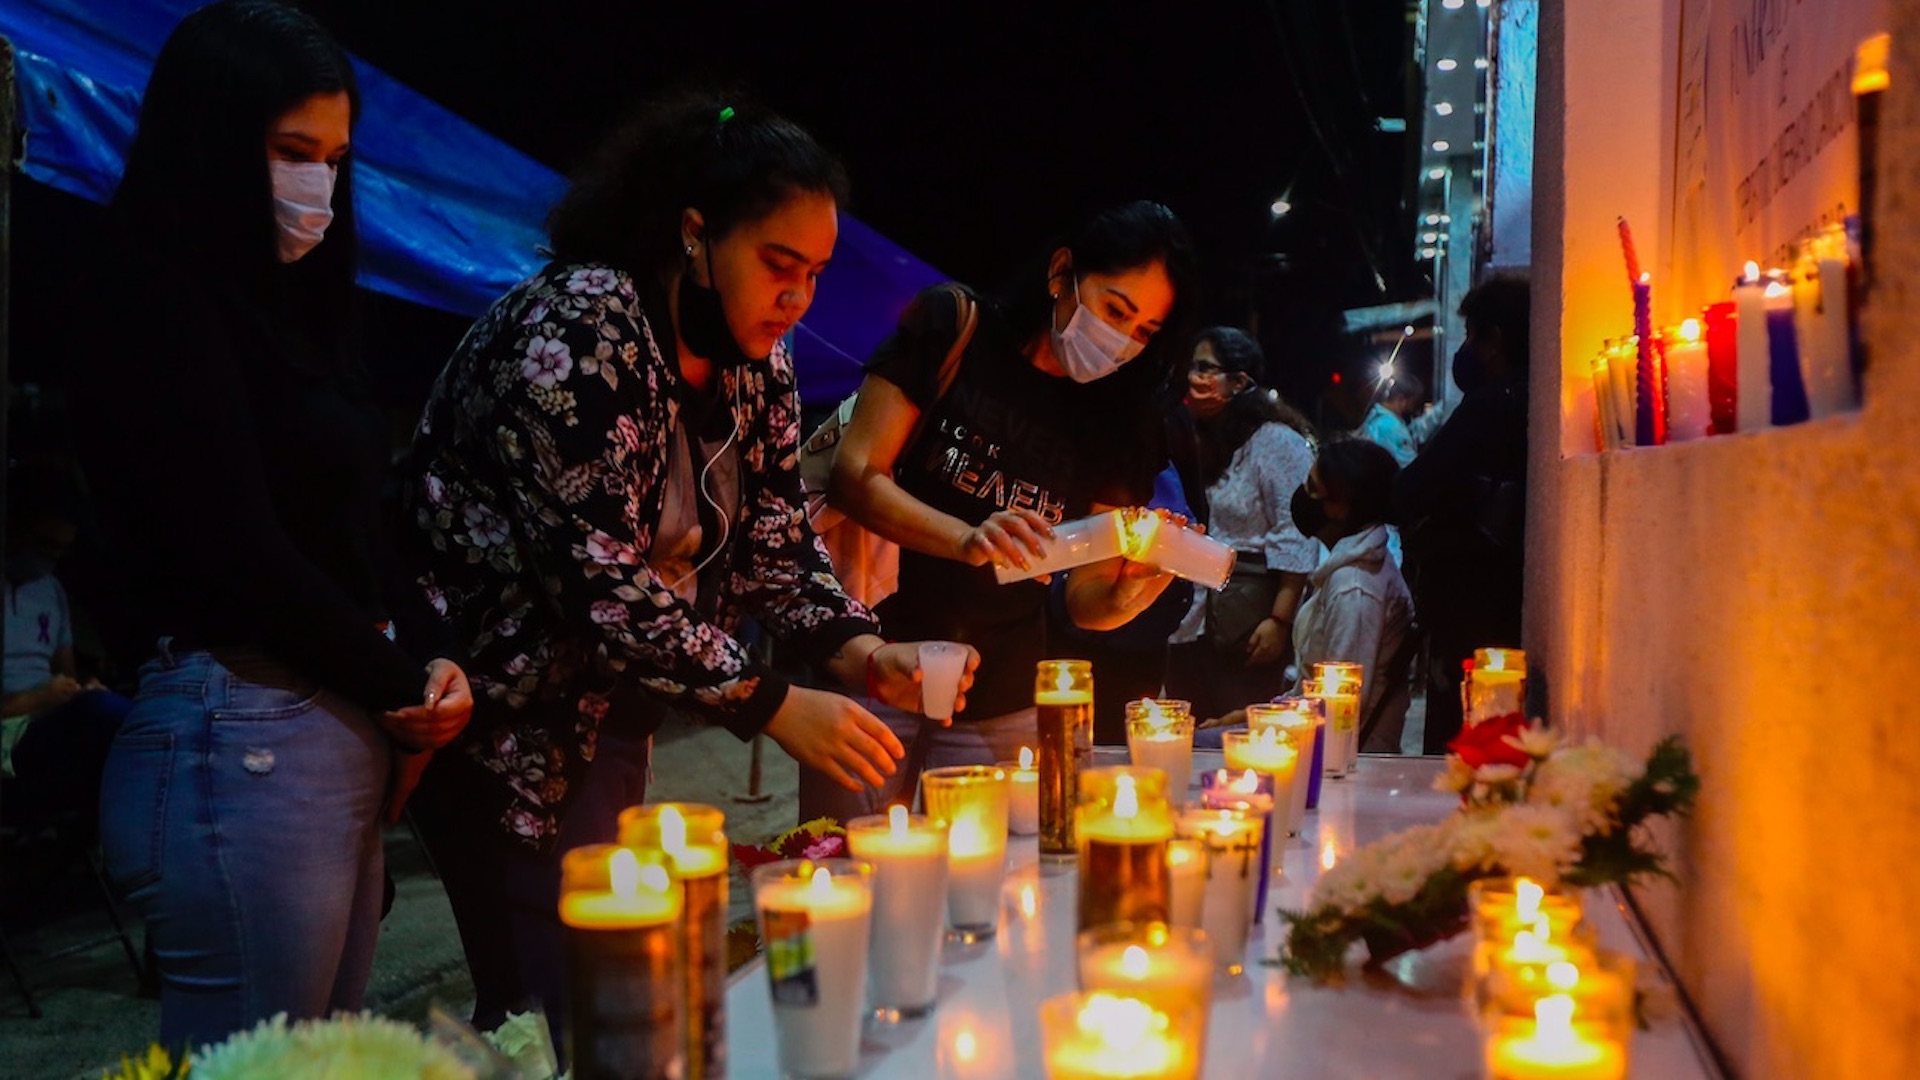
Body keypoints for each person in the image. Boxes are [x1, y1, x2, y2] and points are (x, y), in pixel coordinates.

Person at [400, 93, 970, 1041]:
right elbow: (595, 581)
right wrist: (773, 703)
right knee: (554, 1004)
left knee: (611, 991)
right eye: (778, 265)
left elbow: (777, 542)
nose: (797, 298)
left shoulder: (762, 366)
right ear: (696, 236)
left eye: (817, 275)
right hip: (495, 710)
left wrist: (863, 651)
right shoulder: (577, 331)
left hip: (612, 709)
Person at [73, 0, 473, 1048]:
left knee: (315, 1063)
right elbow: (233, 546)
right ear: (212, 144)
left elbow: (353, 521)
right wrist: (400, 687)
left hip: (323, 735)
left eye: (336, 159)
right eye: (294, 152)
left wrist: (425, 665)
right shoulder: (147, 296)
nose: (319, 188)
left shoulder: (295, 310)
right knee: (267, 1066)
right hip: (233, 740)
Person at [808, 200, 1202, 818]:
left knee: (992, 892)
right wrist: (969, 538)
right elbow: (856, 476)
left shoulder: (1120, 421)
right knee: (845, 873)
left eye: (1144, 332)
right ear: (1062, 272)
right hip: (874, 663)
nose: (1120, 342)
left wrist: (1134, 589)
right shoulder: (956, 327)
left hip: (1004, 698)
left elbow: (1084, 598)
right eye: (1114, 309)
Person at [1396, 276, 1531, 753]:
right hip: (1508, 604)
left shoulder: (1491, 405)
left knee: (1460, 745)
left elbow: (1415, 489)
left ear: (1494, 339)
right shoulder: (1535, 398)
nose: (1468, 349)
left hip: (1471, 606)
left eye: (1474, 336)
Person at [1164, 327, 1319, 722]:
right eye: (1192, 367)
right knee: (1190, 735)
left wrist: (1279, 622)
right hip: (1185, 622)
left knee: (1237, 734)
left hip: (1246, 623)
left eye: (1206, 368)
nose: (1194, 378)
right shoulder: (1189, 438)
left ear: (1239, 382)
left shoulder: (1275, 442)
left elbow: (1295, 533)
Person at [1, 470, 131, 822]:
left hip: (43, 732)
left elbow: (65, 677)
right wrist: (34, 701)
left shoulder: (50, 590)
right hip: (9, 738)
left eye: (59, 551)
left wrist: (81, 690)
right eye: (43, 544)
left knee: (135, 723)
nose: (48, 559)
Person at [1288, 439, 1416, 752]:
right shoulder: (1350, 568)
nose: (1303, 493)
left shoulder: (1354, 588)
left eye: (1312, 486)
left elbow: (1340, 710)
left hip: (1344, 756)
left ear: (1340, 506)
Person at [1359, 371, 1424, 467]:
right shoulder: (1392, 427)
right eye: (1412, 404)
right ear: (1401, 400)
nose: (1412, 410)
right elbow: (1411, 469)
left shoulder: (1374, 416)